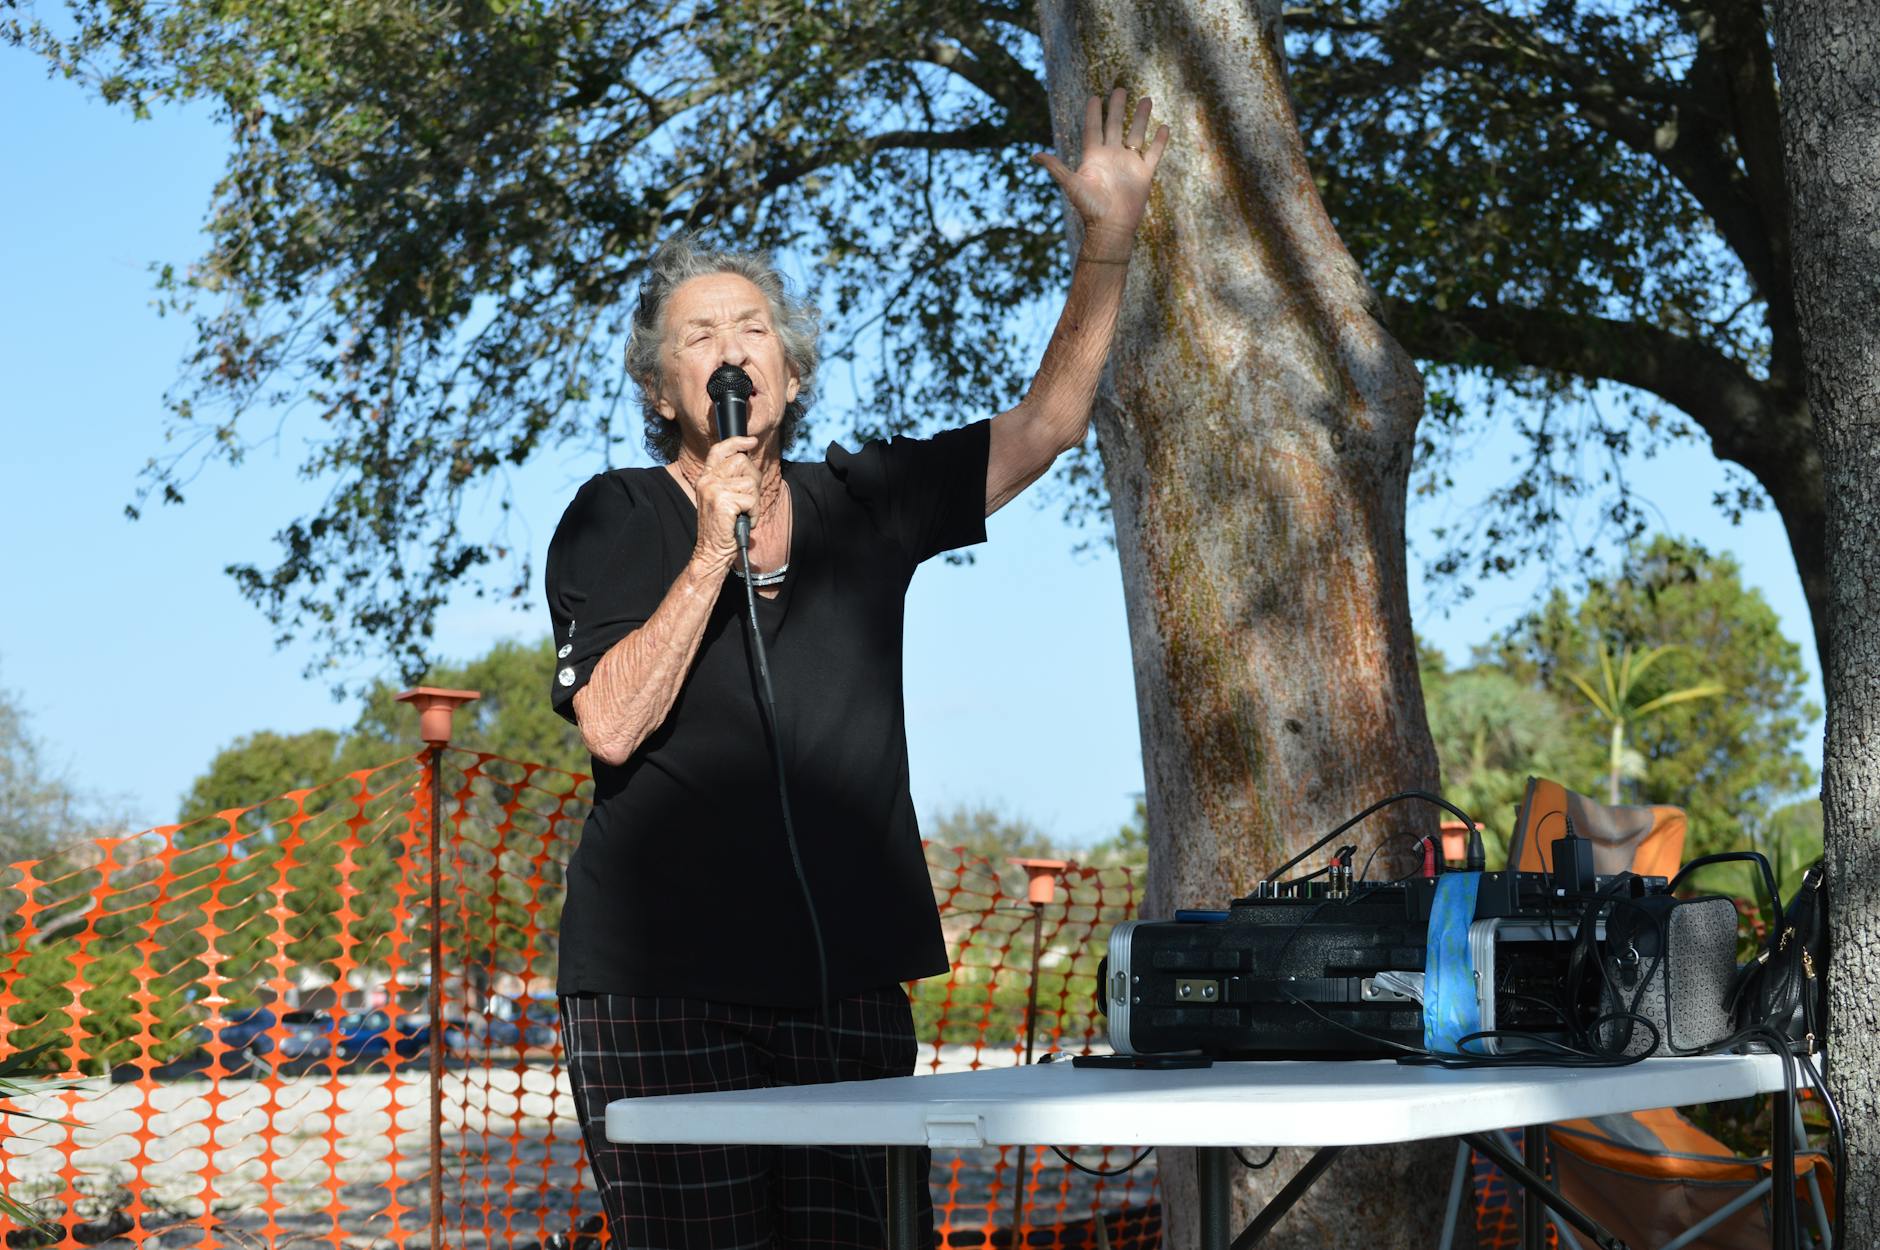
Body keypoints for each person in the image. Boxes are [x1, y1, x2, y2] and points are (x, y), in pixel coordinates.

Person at [544, 88, 1170, 1250]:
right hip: (659, 983)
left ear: (790, 370)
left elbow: (1048, 423)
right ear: (659, 390)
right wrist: (705, 551)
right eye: (698, 335)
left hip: (845, 983)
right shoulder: (615, 515)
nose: (732, 348)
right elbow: (613, 725)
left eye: (753, 329)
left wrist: (1108, 238)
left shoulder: (861, 503)